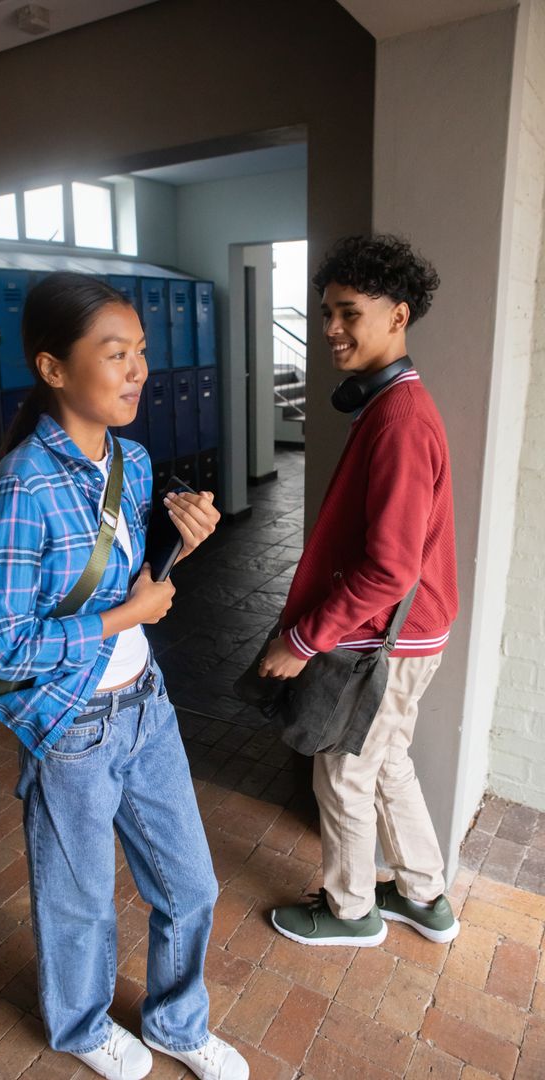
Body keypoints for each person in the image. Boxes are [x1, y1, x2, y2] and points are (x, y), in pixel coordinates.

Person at [0, 272, 249, 1080]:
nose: (137, 371)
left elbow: (128, 586)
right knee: (81, 906)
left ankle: (173, 1021)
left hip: (146, 709)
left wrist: (179, 549)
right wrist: (128, 619)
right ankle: (84, 1027)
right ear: (54, 368)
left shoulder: (129, 458)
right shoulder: (21, 488)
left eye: (143, 354)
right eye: (115, 353)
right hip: (73, 728)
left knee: (191, 885)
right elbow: (7, 650)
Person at [260, 235, 460, 948]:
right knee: (384, 762)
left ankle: (350, 912)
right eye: (324, 314)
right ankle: (425, 895)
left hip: (386, 641)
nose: (331, 329)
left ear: (398, 316)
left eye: (348, 312)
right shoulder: (392, 407)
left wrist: (303, 641)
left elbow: (388, 569)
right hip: (410, 635)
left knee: (343, 770)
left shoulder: (399, 420)